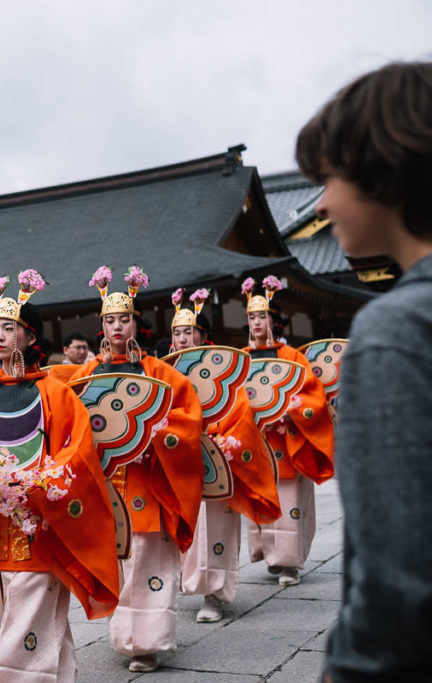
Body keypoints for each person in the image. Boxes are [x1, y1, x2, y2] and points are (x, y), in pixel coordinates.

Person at [295, 61, 432, 682]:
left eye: (328, 177)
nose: (321, 202)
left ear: (382, 170)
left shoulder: (398, 329)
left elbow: (396, 573)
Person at [0, 270, 119, 682]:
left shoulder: (56, 393)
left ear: (29, 336)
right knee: (8, 622)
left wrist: (42, 482)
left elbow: (77, 449)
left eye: (8, 328)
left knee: (28, 619)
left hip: (40, 519)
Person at [53, 265, 202, 673]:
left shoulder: (160, 373)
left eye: (124, 319)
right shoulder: (85, 375)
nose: (118, 326)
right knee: (121, 563)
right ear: (101, 325)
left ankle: (149, 642)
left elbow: (189, 418)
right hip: (107, 483)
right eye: (110, 320)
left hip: (148, 478)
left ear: (136, 324)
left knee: (150, 560)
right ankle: (127, 636)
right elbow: (68, 420)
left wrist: (154, 434)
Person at [167, 289, 280, 624]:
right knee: (185, 528)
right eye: (177, 332)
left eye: (190, 332)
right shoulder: (163, 372)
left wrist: (223, 438)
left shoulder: (223, 372)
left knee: (215, 526)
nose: (183, 338)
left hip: (214, 457)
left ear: (203, 335)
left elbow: (239, 408)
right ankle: (191, 583)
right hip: (180, 463)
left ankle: (214, 593)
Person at [240, 276, 334, 588]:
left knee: (290, 504)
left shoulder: (292, 356)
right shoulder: (241, 358)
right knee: (261, 501)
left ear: (274, 319)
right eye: (252, 317)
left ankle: (290, 563)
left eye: (262, 316)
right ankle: (269, 555)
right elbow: (234, 397)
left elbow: (312, 394)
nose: (256, 322)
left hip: (287, 440)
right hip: (258, 441)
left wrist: (290, 411)